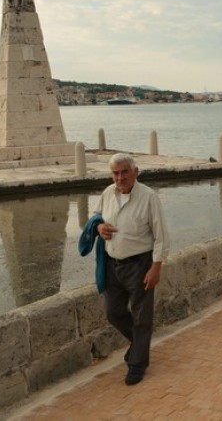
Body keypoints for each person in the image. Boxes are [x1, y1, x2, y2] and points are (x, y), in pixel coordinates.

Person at [92, 153, 170, 385]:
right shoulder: (108, 193)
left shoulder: (149, 197)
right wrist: (99, 228)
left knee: (141, 317)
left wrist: (156, 268)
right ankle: (138, 345)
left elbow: (162, 236)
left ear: (136, 172)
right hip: (112, 264)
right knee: (113, 312)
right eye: (116, 173)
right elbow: (95, 217)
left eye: (125, 172)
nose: (120, 177)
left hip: (140, 264)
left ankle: (137, 364)